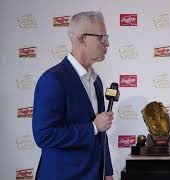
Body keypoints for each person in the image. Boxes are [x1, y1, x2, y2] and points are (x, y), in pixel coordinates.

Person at [32, 11, 114, 180]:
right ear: (82, 39)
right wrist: (92, 127)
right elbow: (44, 136)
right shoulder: (53, 80)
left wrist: (107, 172)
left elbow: (101, 134)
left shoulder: (96, 81)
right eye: (101, 38)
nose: (107, 44)